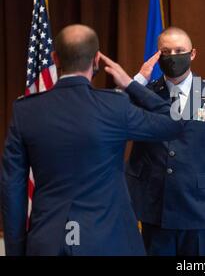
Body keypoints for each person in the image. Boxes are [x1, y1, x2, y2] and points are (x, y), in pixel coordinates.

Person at [1, 24, 183, 256]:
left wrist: (16, 251)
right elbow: (173, 122)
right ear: (97, 59)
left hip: (48, 242)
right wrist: (131, 84)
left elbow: (12, 188)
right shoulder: (115, 106)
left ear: (55, 58)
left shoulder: (26, 110)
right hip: (110, 242)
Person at [125, 26, 205, 256]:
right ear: (157, 55)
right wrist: (138, 81)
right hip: (155, 208)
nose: (173, 56)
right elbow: (114, 116)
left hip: (200, 208)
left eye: (180, 50)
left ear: (193, 54)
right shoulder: (144, 94)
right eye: (166, 51)